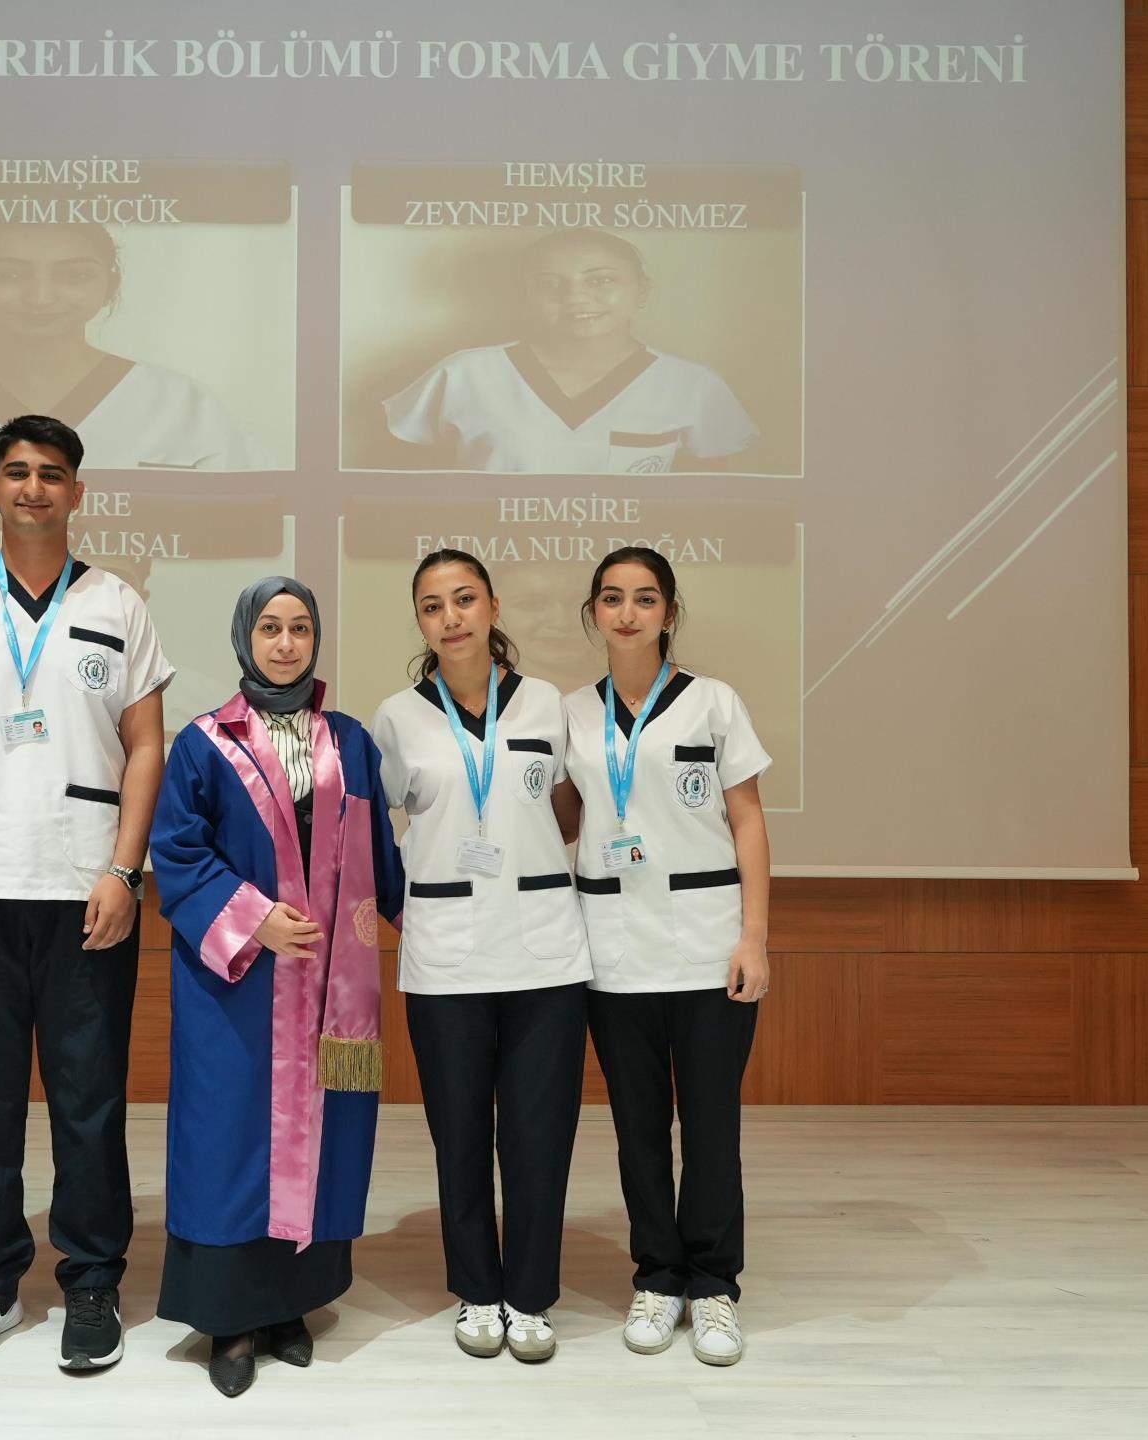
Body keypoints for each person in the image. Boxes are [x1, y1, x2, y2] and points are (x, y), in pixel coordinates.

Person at [0, 414, 173, 1373]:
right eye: (17, 472)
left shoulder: (118, 603)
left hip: (87, 890)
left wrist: (125, 871)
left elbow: (145, 746)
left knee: (89, 1097)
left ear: (77, 492)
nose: (34, 487)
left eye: (52, 473)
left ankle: (91, 1281)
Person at [150, 578, 406, 1397]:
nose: (287, 643)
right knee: (228, 1138)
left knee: (323, 1133)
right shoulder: (203, 742)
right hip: (236, 986)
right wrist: (254, 919)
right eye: (270, 628)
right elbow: (177, 851)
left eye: (300, 628)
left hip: (331, 983)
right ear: (245, 639)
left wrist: (413, 918)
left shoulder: (349, 740)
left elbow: (379, 849)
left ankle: (290, 1302)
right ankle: (229, 1318)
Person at [368, 548, 592, 1364]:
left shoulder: (548, 704)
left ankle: (530, 1296)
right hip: (446, 955)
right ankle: (477, 1290)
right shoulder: (397, 717)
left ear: (493, 607)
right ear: (420, 622)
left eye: (464, 599)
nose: (451, 617)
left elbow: (568, 813)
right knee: (459, 1133)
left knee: (539, 1134)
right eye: (433, 606)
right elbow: (375, 831)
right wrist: (411, 906)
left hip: (545, 952)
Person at [554, 545, 772, 1367]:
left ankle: (713, 1286)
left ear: (670, 613)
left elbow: (747, 820)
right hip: (612, 951)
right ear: (593, 613)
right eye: (612, 598)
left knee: (711, 1125)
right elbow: (564, 818)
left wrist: (754, 936)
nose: (628, 613)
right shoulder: (571, 713)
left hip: (709, 944)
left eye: (646, 598)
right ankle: (658, 1275)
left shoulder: (713, 703)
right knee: (638, 1128)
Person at [0, 221, 274, 471]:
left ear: (109, 287)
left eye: (74, 275)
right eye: (7, 275)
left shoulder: (180, 406)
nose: (40, 297)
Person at [382, 230, 758, 474]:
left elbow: (716, 508)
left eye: (601, 280)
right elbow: (406, 492)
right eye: (550, 284)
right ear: (526, 295)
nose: (576, 297)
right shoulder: (465, 373)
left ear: (642, 290)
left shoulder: (694, 385)